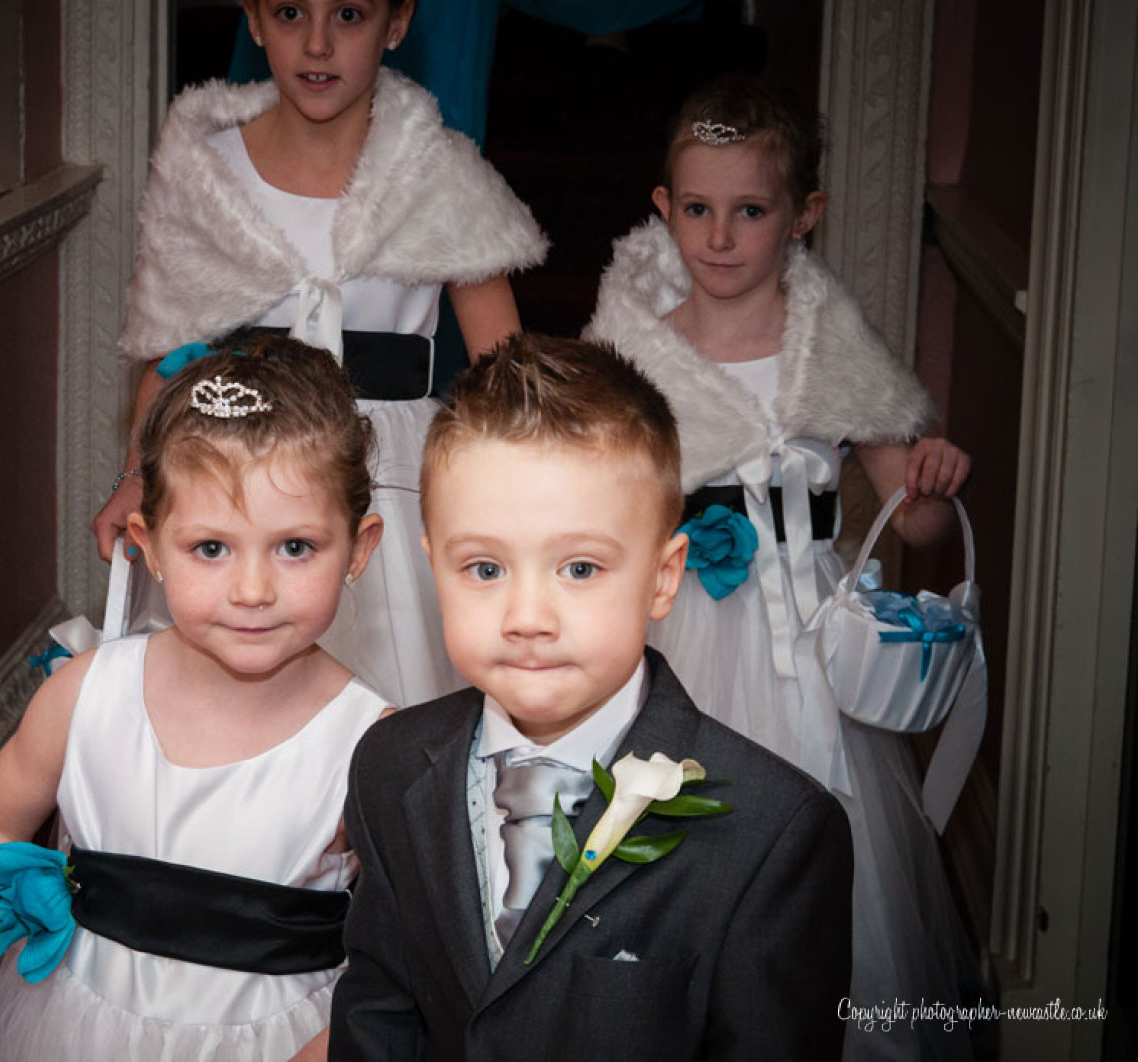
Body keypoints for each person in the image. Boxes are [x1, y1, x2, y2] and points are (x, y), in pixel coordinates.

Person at [582, 74, 978, 1060]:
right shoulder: (635, 354)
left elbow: (918, 521)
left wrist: (931, 479)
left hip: (807, 628)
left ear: (803, 215)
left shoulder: (830, 350)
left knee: (820, 836)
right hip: (679, 627)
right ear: (664, 208)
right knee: (679, 833)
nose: (720, 238)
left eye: (750, 212)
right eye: (698, 210)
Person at [330, 335, 853, 1060]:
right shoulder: (388, 766)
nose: (527, 617)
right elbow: (379, 1013)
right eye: (484, 568)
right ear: (434, 569)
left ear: (663, 578)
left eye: (579, 568)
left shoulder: (774, 834)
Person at [0, 340, 393, 1062]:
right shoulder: (85, 695)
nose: (252, 590)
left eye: (294, 547)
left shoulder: (374, 747)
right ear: (150, 545)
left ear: (358, 548)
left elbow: (405, 956)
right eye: (211, 548)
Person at [90, 0, 549, 709]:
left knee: (393, 691)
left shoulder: (439, 172)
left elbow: (505, 371)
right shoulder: (206, 168)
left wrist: (523, 496)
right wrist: (133, 475)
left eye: (349, 15)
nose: (317, 43)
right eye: (290, 12)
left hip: (387, 478)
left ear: (396, 24)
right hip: (234, 463)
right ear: (254, 20)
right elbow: (168, 351)